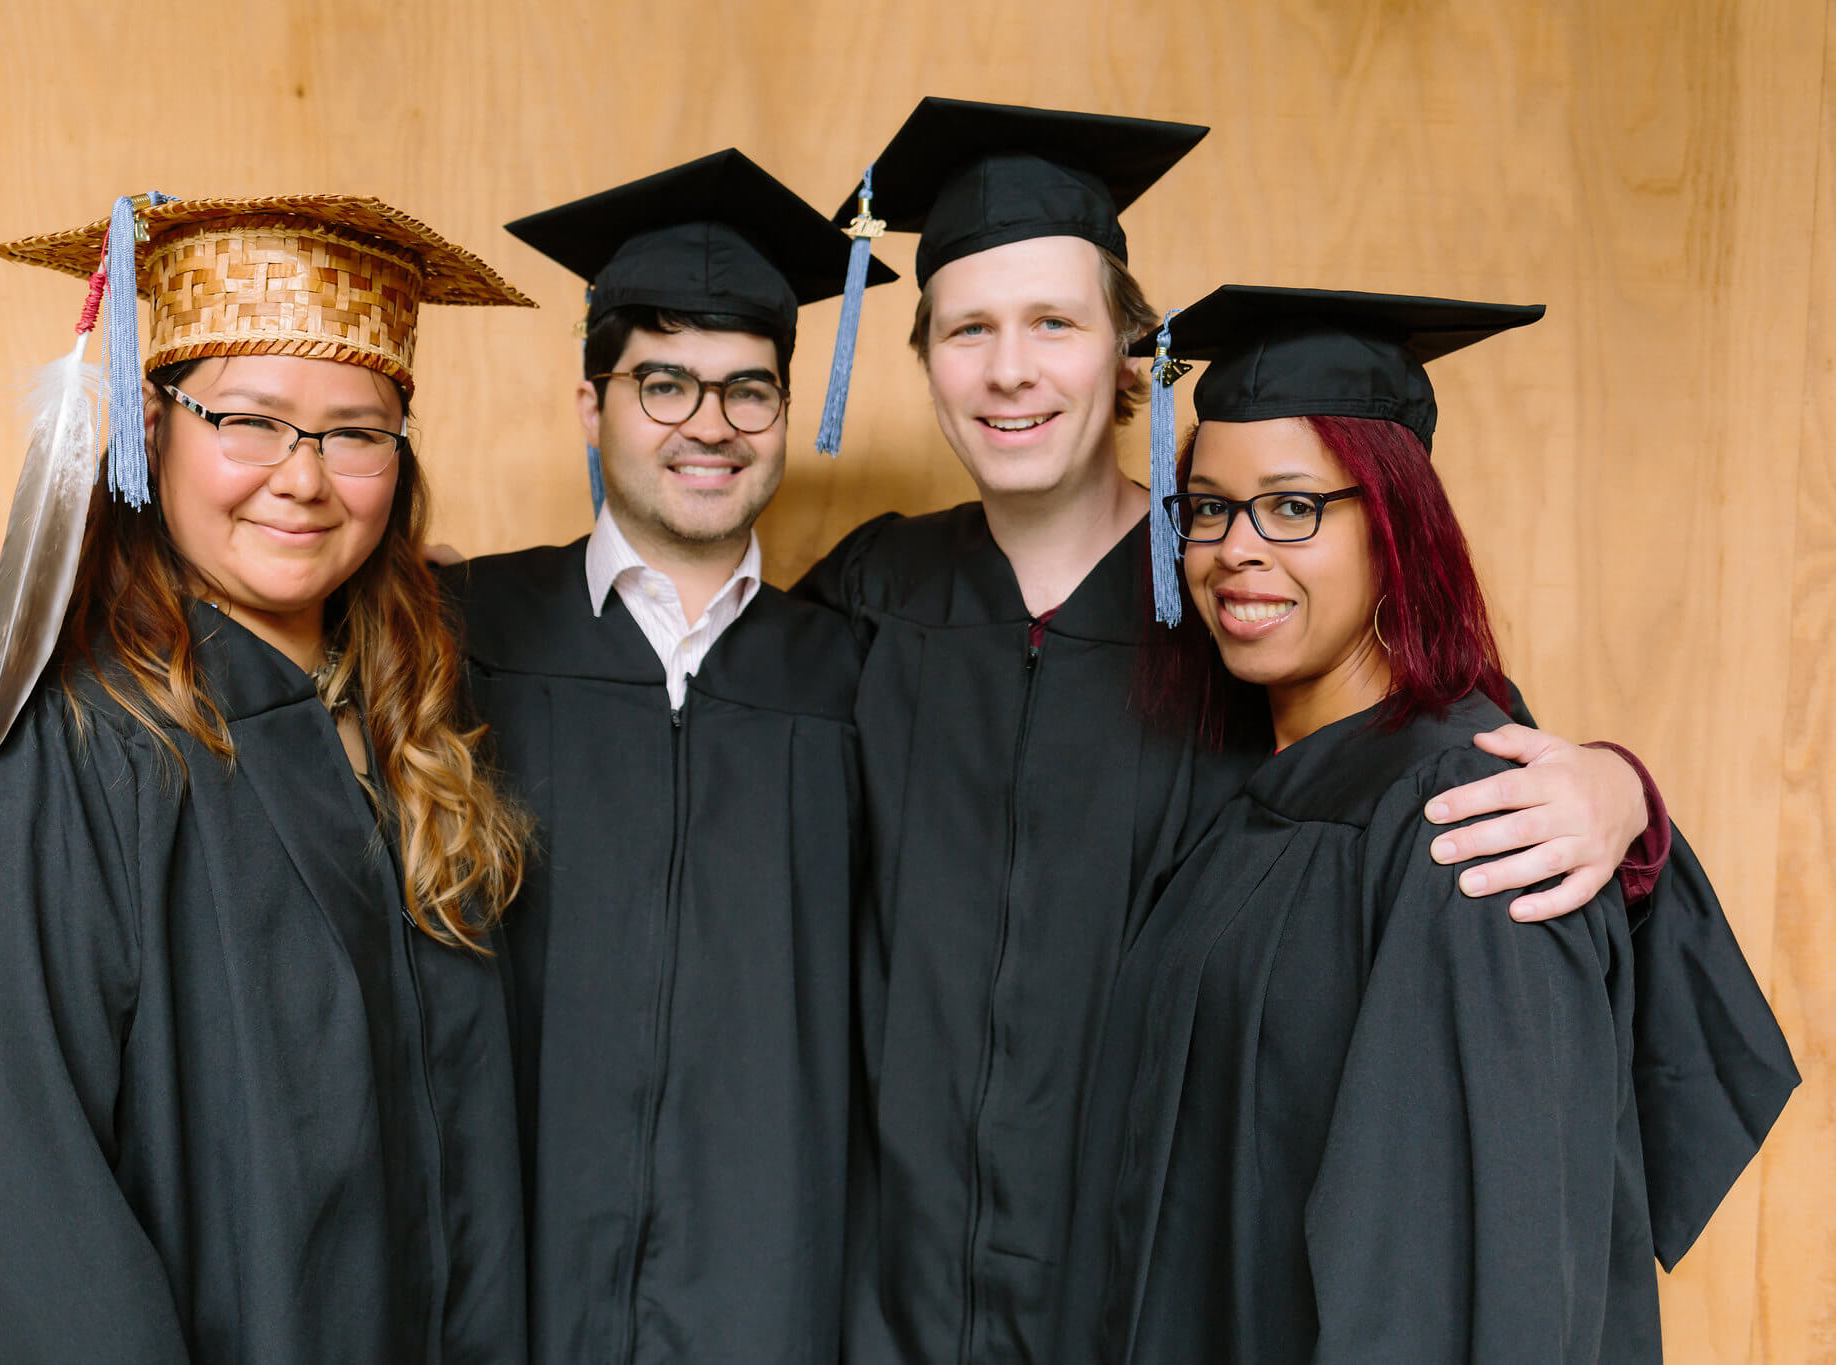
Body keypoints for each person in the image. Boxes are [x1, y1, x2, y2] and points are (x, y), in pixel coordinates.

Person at [794, 98, 1669, 1364]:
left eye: (1054, 323)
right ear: (920, 353)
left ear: (1129, 354)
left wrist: (1619, 791)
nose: (1010, 369)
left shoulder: (1238, 599)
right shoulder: (866, 597)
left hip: (1161, 1283)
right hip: (896, 1299)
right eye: (967, 329)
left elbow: (1447, 767)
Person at [1053, 285, 1796, 1363]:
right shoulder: (1248, 796)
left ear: (1395, 524)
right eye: (1205, 508)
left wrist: (1623, 792)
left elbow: (1469, 1278)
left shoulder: (1471, 822)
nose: (1235, 549)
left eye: (1294, 505)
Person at [0, 194, 537, 1364]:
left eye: (357, 431)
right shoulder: (60, 749)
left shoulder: (410, 745)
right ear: (148, 432)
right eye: (248, 420)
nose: (304, 479)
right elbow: (2, 1209)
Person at [429, 150, 893, 1365]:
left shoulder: (856, 677)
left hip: (765, 1284)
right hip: (509, 1269)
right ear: (593, 406)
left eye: (750, 391)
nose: (710, 426)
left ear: (786, 414)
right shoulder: (459, 636)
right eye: (665, 384)